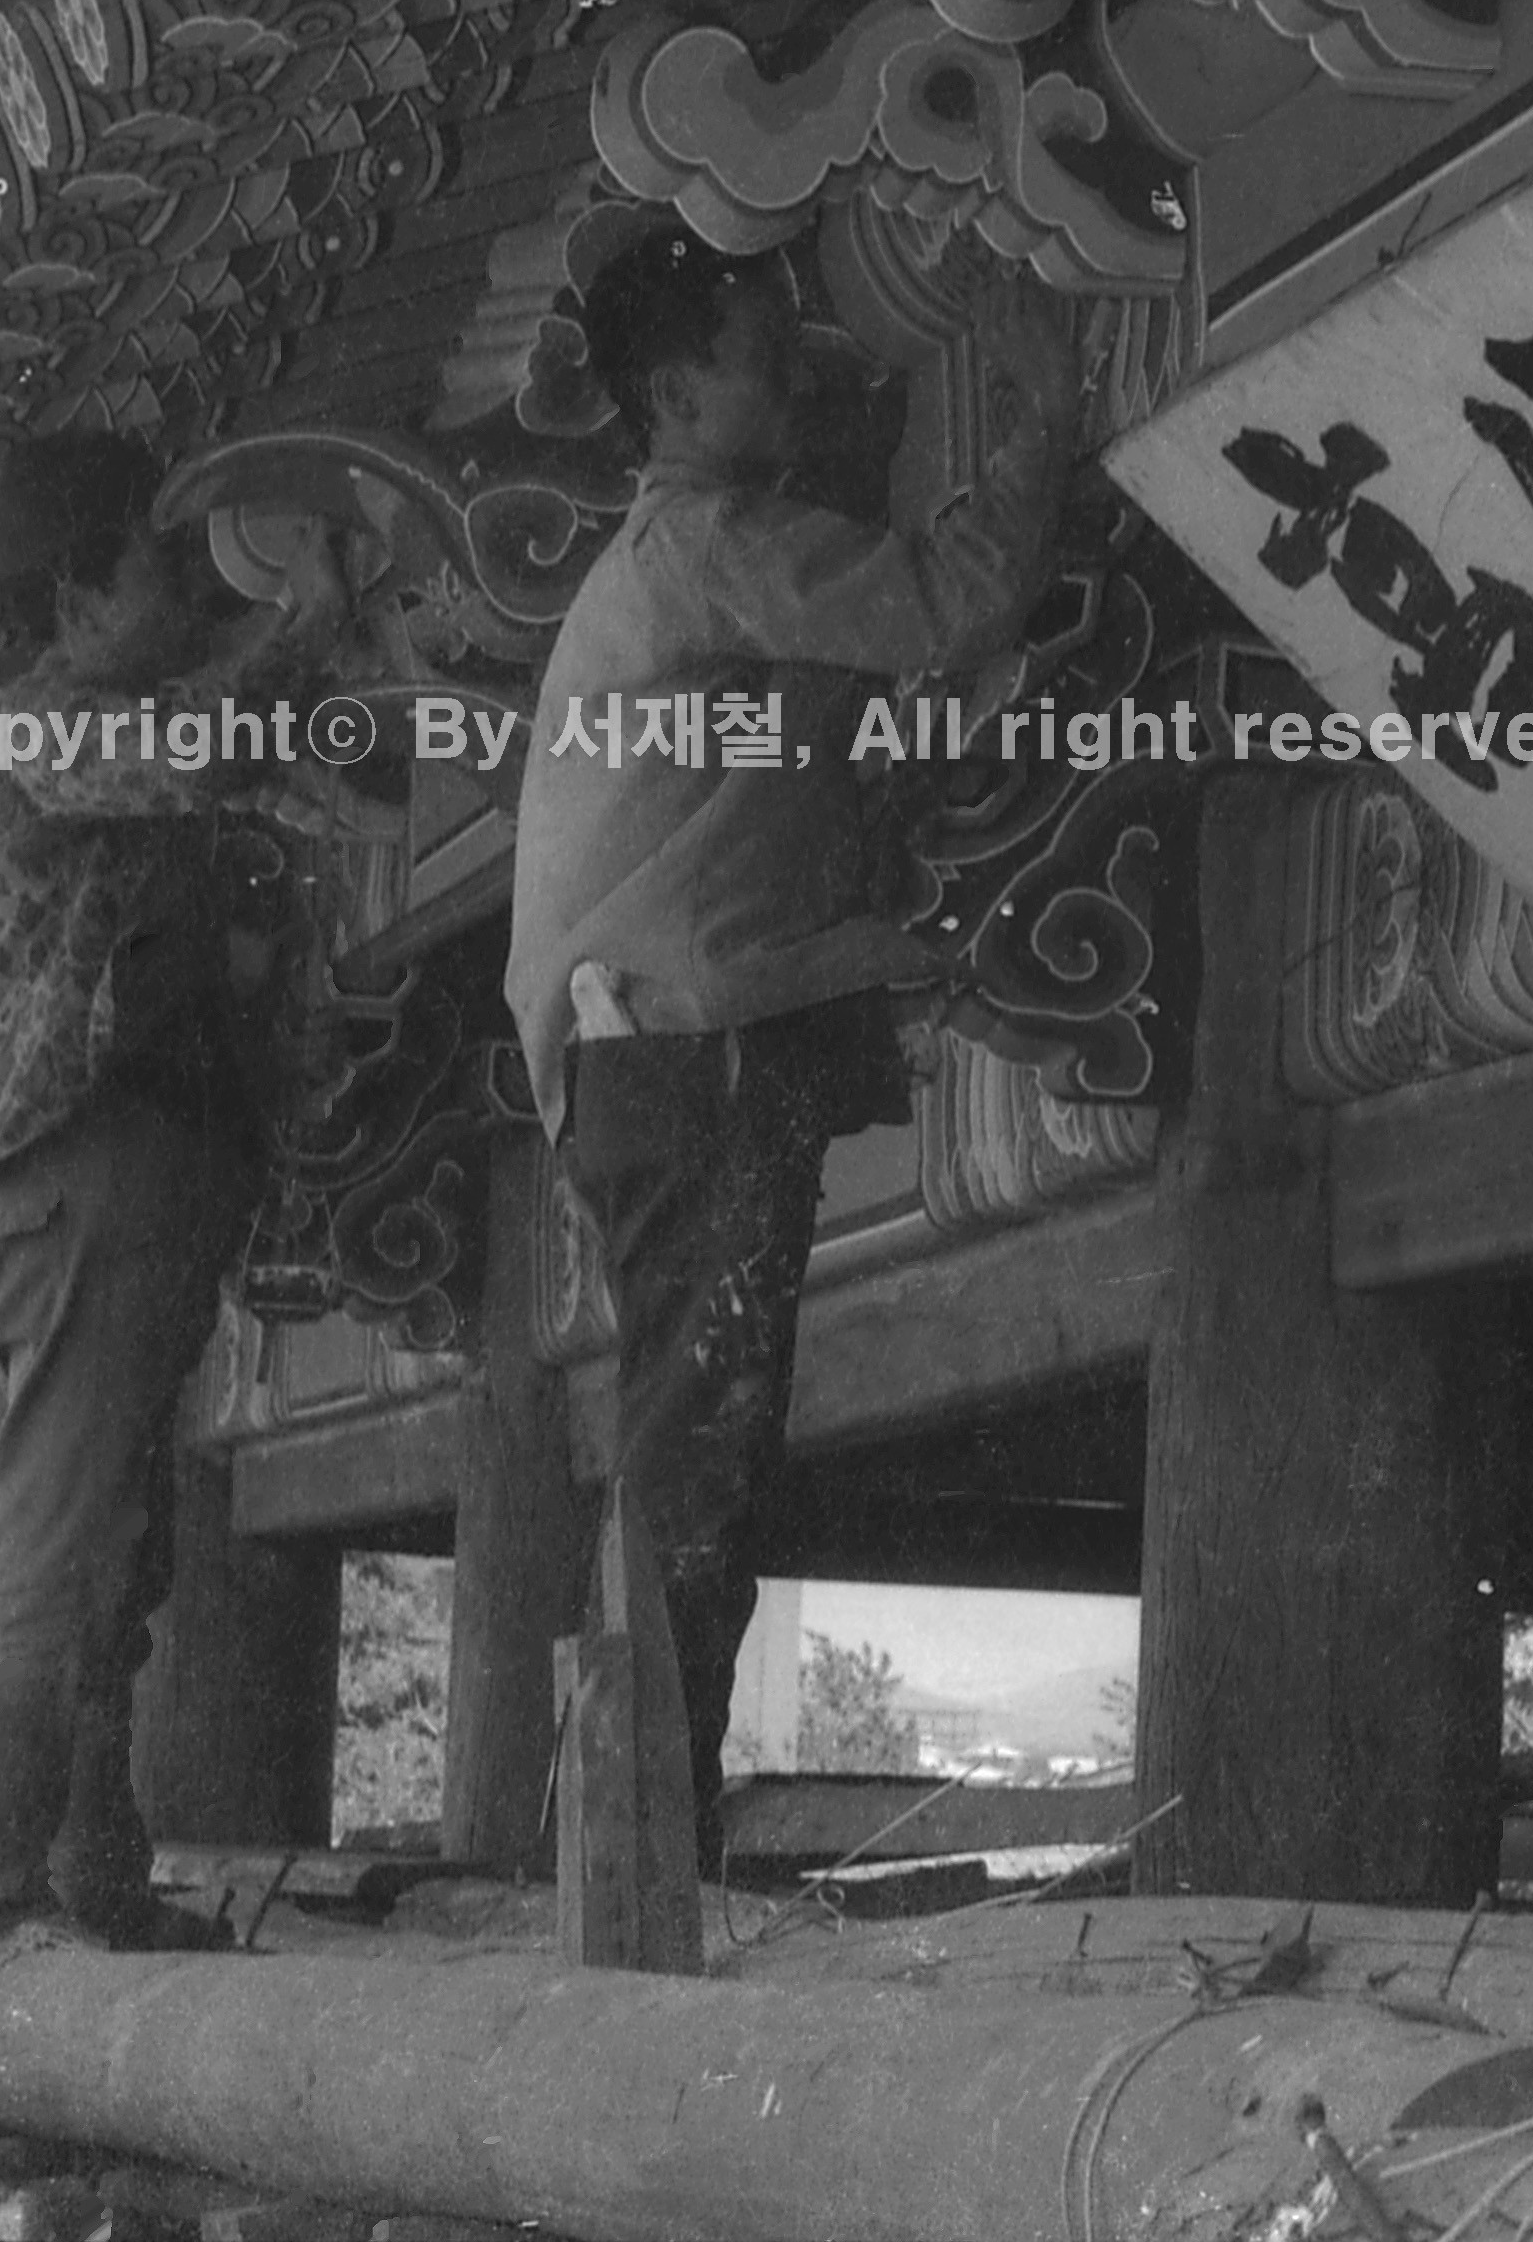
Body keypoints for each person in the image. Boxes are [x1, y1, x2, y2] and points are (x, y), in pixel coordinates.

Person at [507, 222, 1082, 1857]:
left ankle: (624, 1840)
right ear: (679, 393)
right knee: (699, 1450)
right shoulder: (706, 551)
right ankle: (637, 1856)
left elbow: (805, 742)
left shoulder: (662, 591)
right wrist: (1038, 402)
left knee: (684, 1439)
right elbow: (946, 603)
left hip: (641, 1054)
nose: (799, 384)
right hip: (688, 1056)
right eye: (767, 358)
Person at [0, 430, 318, 1950]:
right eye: (161, 564)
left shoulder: (58, 727)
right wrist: (309, 620)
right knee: (62, 1541)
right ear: (78, 601)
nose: (192, 592)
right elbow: (200, 749)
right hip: (74, 1172)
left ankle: (88, 1870)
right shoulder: (33, 724)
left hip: (71, 1187)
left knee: (109, 1549)